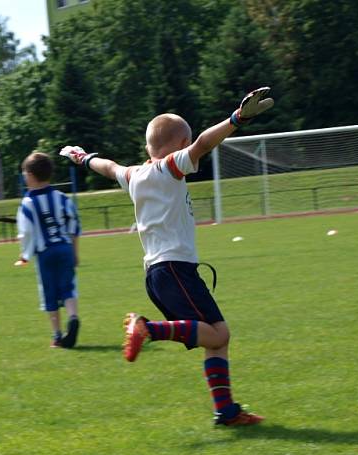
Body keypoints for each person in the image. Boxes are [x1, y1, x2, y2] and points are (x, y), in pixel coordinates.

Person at [61, 87, 274, 426]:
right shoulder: (169, 167)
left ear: (147, 147)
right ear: (178, 146)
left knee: (215, 337)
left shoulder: (134, 175)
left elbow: (108, 166)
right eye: (186, 146)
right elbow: (203, 143)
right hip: (175, 269)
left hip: (158, 275)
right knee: (219, 334)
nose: (192, 154)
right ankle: (146, 329)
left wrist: (82, 157)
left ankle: (227, 411)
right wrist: (237, 119)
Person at [16, 152, 82, 349]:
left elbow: (26, 232)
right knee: (68, 288)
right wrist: (75, 252)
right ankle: (73, 317)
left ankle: (57, 335)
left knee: (49, 293)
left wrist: (24, 255)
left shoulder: (27, 203)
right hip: (64, 248)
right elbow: (74, 224)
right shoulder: (61, 198)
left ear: (30, 174)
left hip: (45, 252)